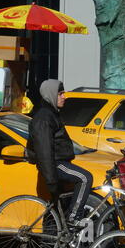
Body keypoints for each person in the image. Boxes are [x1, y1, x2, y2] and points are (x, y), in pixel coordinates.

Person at [26, 79, 93, 225]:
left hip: (59, 162)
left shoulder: (51, 113)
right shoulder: (44, 117)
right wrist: (52, 181)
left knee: (58, 207)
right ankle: (74, 218)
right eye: (60, 93)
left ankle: (52, 242)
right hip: (55, 164)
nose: (65, 97)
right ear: (51, 94)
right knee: (85, 178)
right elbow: (44, 151)